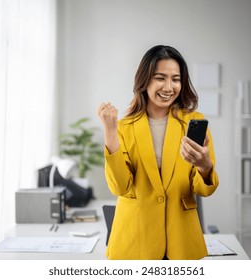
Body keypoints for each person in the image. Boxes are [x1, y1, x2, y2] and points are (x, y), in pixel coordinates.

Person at [97, 45, 219, 260]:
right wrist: (110, 133)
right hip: (135, 240)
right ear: (145, 80)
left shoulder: (194, 122)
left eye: (176, 79)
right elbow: (120, 186)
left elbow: (204, 190)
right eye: (160, 78)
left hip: (181, 241)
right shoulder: (123, 127)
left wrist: (205, 166)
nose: (169, 87)